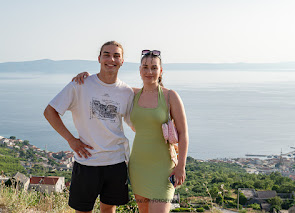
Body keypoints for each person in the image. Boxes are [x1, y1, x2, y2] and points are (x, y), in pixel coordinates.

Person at [74, 49, 189, 213]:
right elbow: (106, 84)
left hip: (164, 168)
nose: (149, 71)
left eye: (154, 68)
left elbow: (183, 133)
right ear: (140, 70)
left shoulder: (170, 96)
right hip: (138, 168)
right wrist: (86, 78)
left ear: (161, 71)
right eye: (145, 67)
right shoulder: (131, 93)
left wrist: (181, 167)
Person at [44, 41, 134, 213]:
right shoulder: (80, 85)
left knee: (109, 209)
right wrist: (71, 140)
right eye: (106, 54)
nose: (111, 59)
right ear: (99, 58)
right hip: (87, 162)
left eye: (116, 55)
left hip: (116, 162)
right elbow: (50, 112)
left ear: (122, 61)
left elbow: (135, 123)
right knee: (83, 211)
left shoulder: (127, 92)